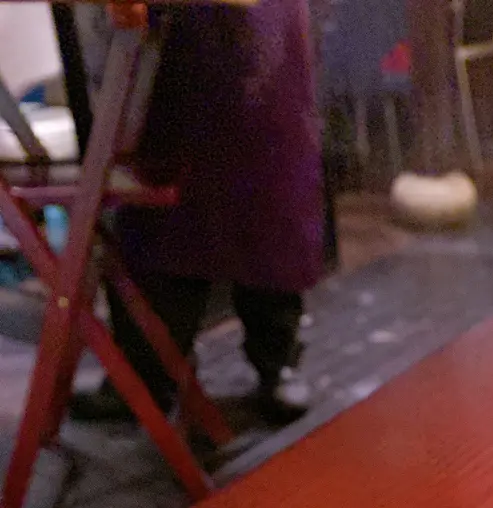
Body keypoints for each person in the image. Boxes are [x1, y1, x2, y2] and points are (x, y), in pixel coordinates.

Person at [72, 0, 324, 426]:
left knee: (267, 193)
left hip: (258, 33)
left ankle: (277, 360)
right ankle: (146, 375)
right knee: (161, 206)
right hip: (168, 43)